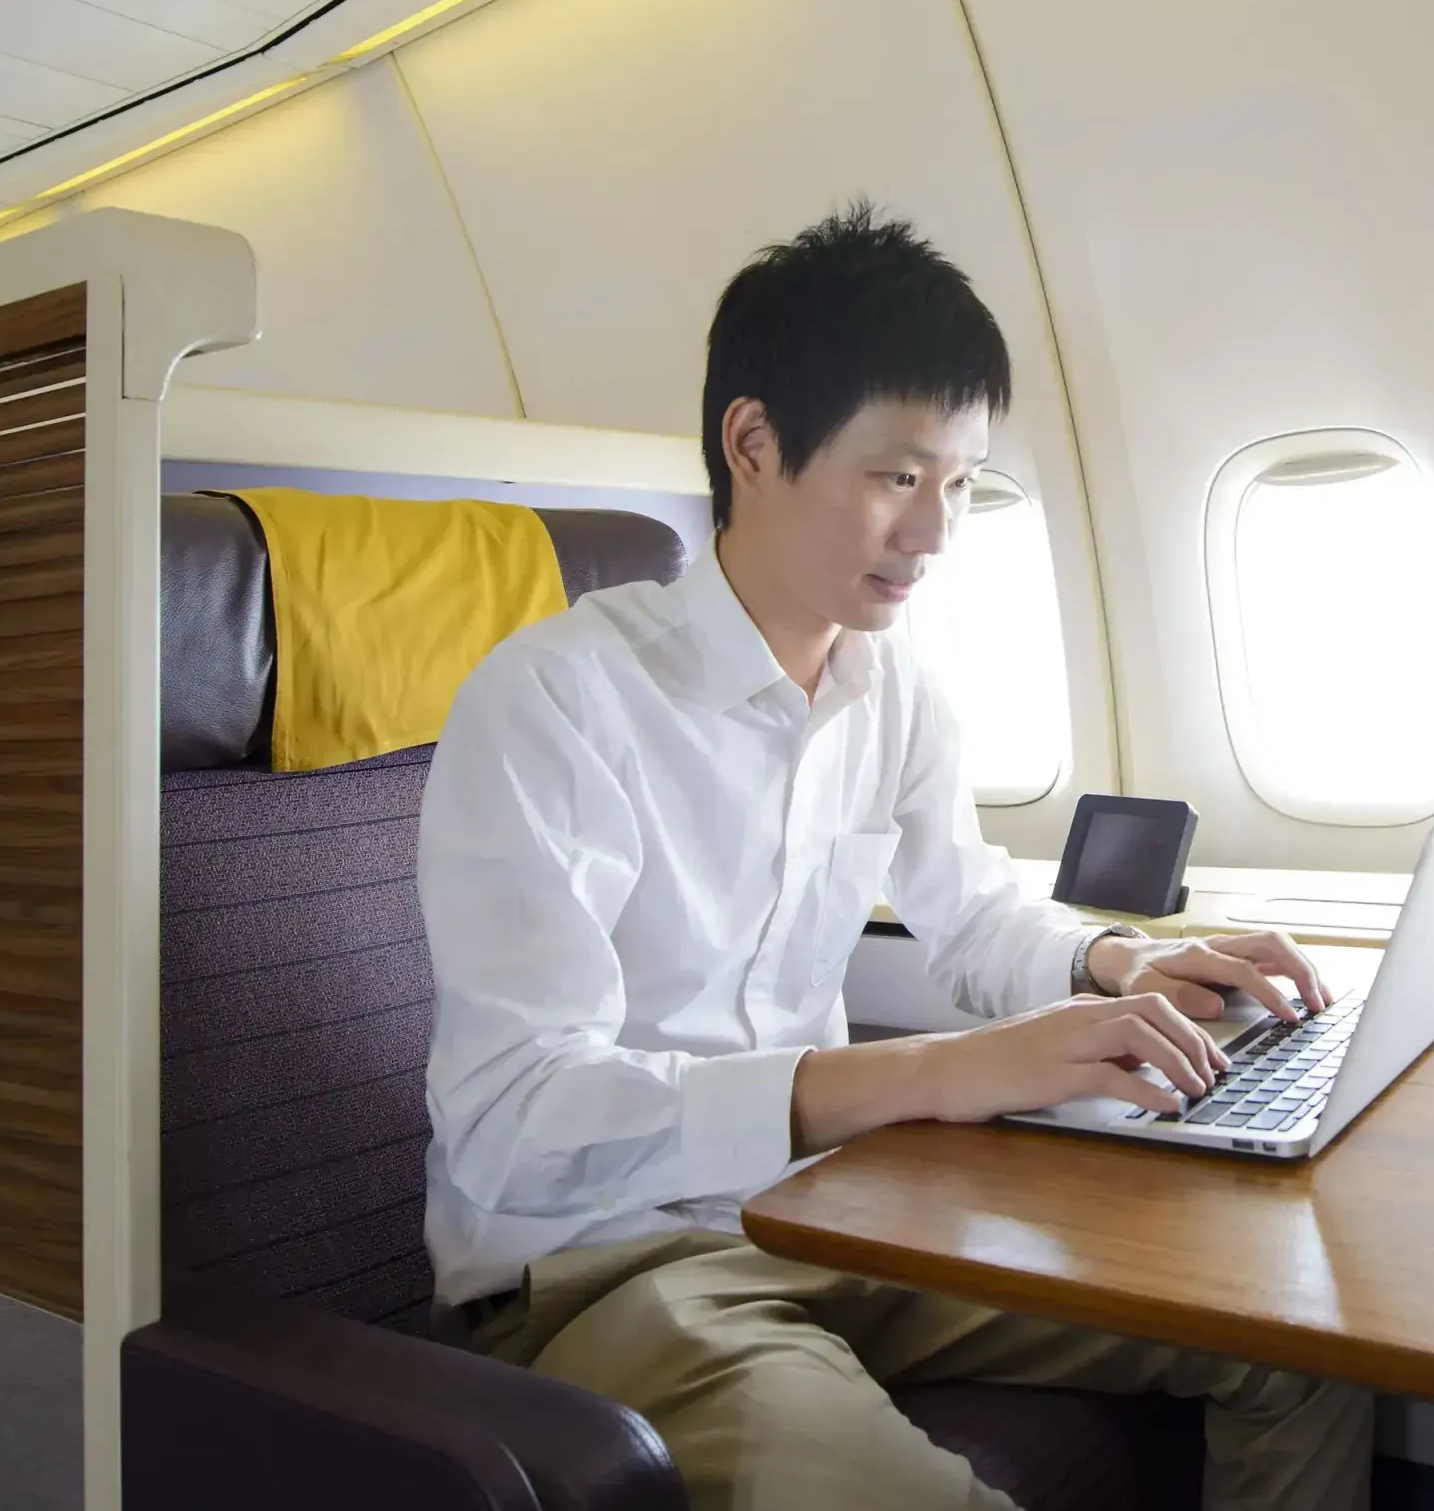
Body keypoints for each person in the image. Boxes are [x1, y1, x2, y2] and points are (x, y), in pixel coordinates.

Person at [418, 203, 1373, 1511]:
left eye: (964, 482)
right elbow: (517, 1123)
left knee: (1296, 1337)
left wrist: (1118, 960)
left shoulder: (894, 686)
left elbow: (968, 912)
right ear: (752, 442)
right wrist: (937, 1072)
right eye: (897, 475)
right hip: (613, 1264)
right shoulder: (558, 701)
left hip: (842, 1207)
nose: (936, 531)